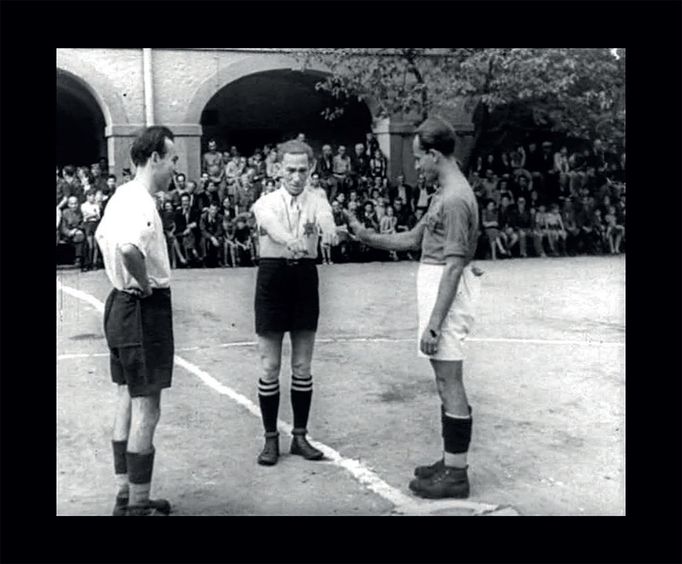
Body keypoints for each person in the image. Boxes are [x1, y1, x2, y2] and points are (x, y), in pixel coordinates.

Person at [346, 116, 481, 498]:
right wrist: (365, 236)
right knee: (443, 378)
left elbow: (454, 265)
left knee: (449, 379)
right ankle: (451, 459)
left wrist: (435, 324)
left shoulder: (455, 198)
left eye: (420, 158)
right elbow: (413, 239)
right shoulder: (445, 191)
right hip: (437, 284)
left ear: (436, 155)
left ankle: (457, 474)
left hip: (445, 291)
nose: (417, 165)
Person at [94, 125, 178, 516]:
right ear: (155, 158)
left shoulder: (119, 197)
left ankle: (126, 493)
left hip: (118, 304)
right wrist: (144, 285)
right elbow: (129, 248)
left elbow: (105, 240)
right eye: (172, 159)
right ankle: (140, 507)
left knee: (126, 396)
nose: (174, 169)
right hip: (141, 307)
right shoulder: (141, 201)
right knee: (148, 407)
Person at [251, 139, 338, 466]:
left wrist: (328, 229)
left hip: (304, 278)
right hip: (272, 278)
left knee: (302, 365)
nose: (297, 177)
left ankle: (300, 436)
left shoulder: (318, 199)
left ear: (312, 168)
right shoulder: (265, 202)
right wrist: (294, 241)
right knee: (270, 366)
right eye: (290, 170)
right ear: (277, 169)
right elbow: (272, 228)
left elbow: (326, 217)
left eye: (303, 170)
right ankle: (270, 439)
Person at [60, 195, 87, 271]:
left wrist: (77, 230)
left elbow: (82, 224)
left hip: (77, 232)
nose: (74, 206)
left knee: (81, 237)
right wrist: (69, 232)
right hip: (67, 234)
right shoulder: (65, 212)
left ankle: (79, 259)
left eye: (75, 203)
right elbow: (63, 227)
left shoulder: (80, 212)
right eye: (71, 204)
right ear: (68, 204)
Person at [81, 189, 102, 270]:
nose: (92, 198)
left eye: (93, 196)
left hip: (95, 224)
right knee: (90, 245)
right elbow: (85, 216)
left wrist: (91, 215)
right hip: (88, 225)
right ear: (87, 197)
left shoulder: (96, 205)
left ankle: (94, 263)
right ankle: (88, 262)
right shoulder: (83, 205)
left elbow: (98, 216)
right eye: (90, 196)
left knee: (95, 245)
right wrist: (93, 215)